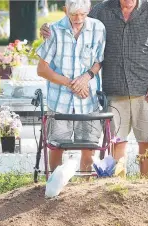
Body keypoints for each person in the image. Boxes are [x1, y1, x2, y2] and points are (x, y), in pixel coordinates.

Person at [41, 0, 148, 177]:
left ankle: (146, 187)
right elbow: (76, 18)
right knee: (116, 142)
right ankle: (119, 189)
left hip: (146, 88)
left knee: (147, 141)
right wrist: (46, 27)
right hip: (114, 89)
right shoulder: (102, 10)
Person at [36, 0, 106, 174]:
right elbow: (42, 69)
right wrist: (72, 84)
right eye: (74, 14)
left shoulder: (98, 28)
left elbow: (99, 61)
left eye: (83, 14)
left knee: (89, 149)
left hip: (88, 101)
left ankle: (83, 192)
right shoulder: (54, 31)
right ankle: (55, 186)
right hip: (60, 101)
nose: (78, 18)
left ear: (89, 10)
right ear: (65, 10)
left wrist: (85, 78)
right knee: (56, 147)